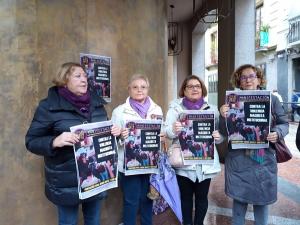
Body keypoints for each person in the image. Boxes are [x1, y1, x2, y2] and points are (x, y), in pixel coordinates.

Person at [25, 62, 121, 225]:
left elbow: (103, 138)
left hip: (95, 176)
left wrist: (115, 134)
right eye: (78, 76)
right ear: (64, 80)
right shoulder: (48, 106)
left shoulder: (97, 105)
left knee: (93, 220)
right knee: (68, 222)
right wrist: (55, 141)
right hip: (66, 181)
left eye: (85, 76)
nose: (84, 79)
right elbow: (31, 141)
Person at [219, 64, 289, 225]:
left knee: (262, 201)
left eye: (252, 76)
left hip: (263, 160)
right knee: (239, 201)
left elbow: (284, 123)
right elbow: (224, 131)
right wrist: (223, 116)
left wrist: (277, 133)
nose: (248, 80)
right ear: (239, 81)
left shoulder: (272, 99)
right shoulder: (231, 101)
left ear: (258, 79)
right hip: (238, 160)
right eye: (243, 77)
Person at [165, 75, 223, 225]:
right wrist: (174, 129)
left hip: (205, 163)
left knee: (202, 198)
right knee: (185, 198)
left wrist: (219, 137)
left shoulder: (213, 110)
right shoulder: (175, 109)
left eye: (197, 86)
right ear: (184, 90)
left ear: (202, 89)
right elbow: (168, 133)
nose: (194, 89)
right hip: (184, 163)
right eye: (190, 86)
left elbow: (221, 135)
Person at [111, 74, 164, 225]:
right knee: (131, 201)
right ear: (129, 90)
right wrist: (121, 136)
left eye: (143, 87)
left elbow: (163, 131)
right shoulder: (119, 111)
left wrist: (162, 136)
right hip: (129, 165)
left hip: (150, 164)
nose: (139, 90)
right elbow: (112, 140)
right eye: (135, 87)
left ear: (148, 89)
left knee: (148, 199)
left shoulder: (157, 109)